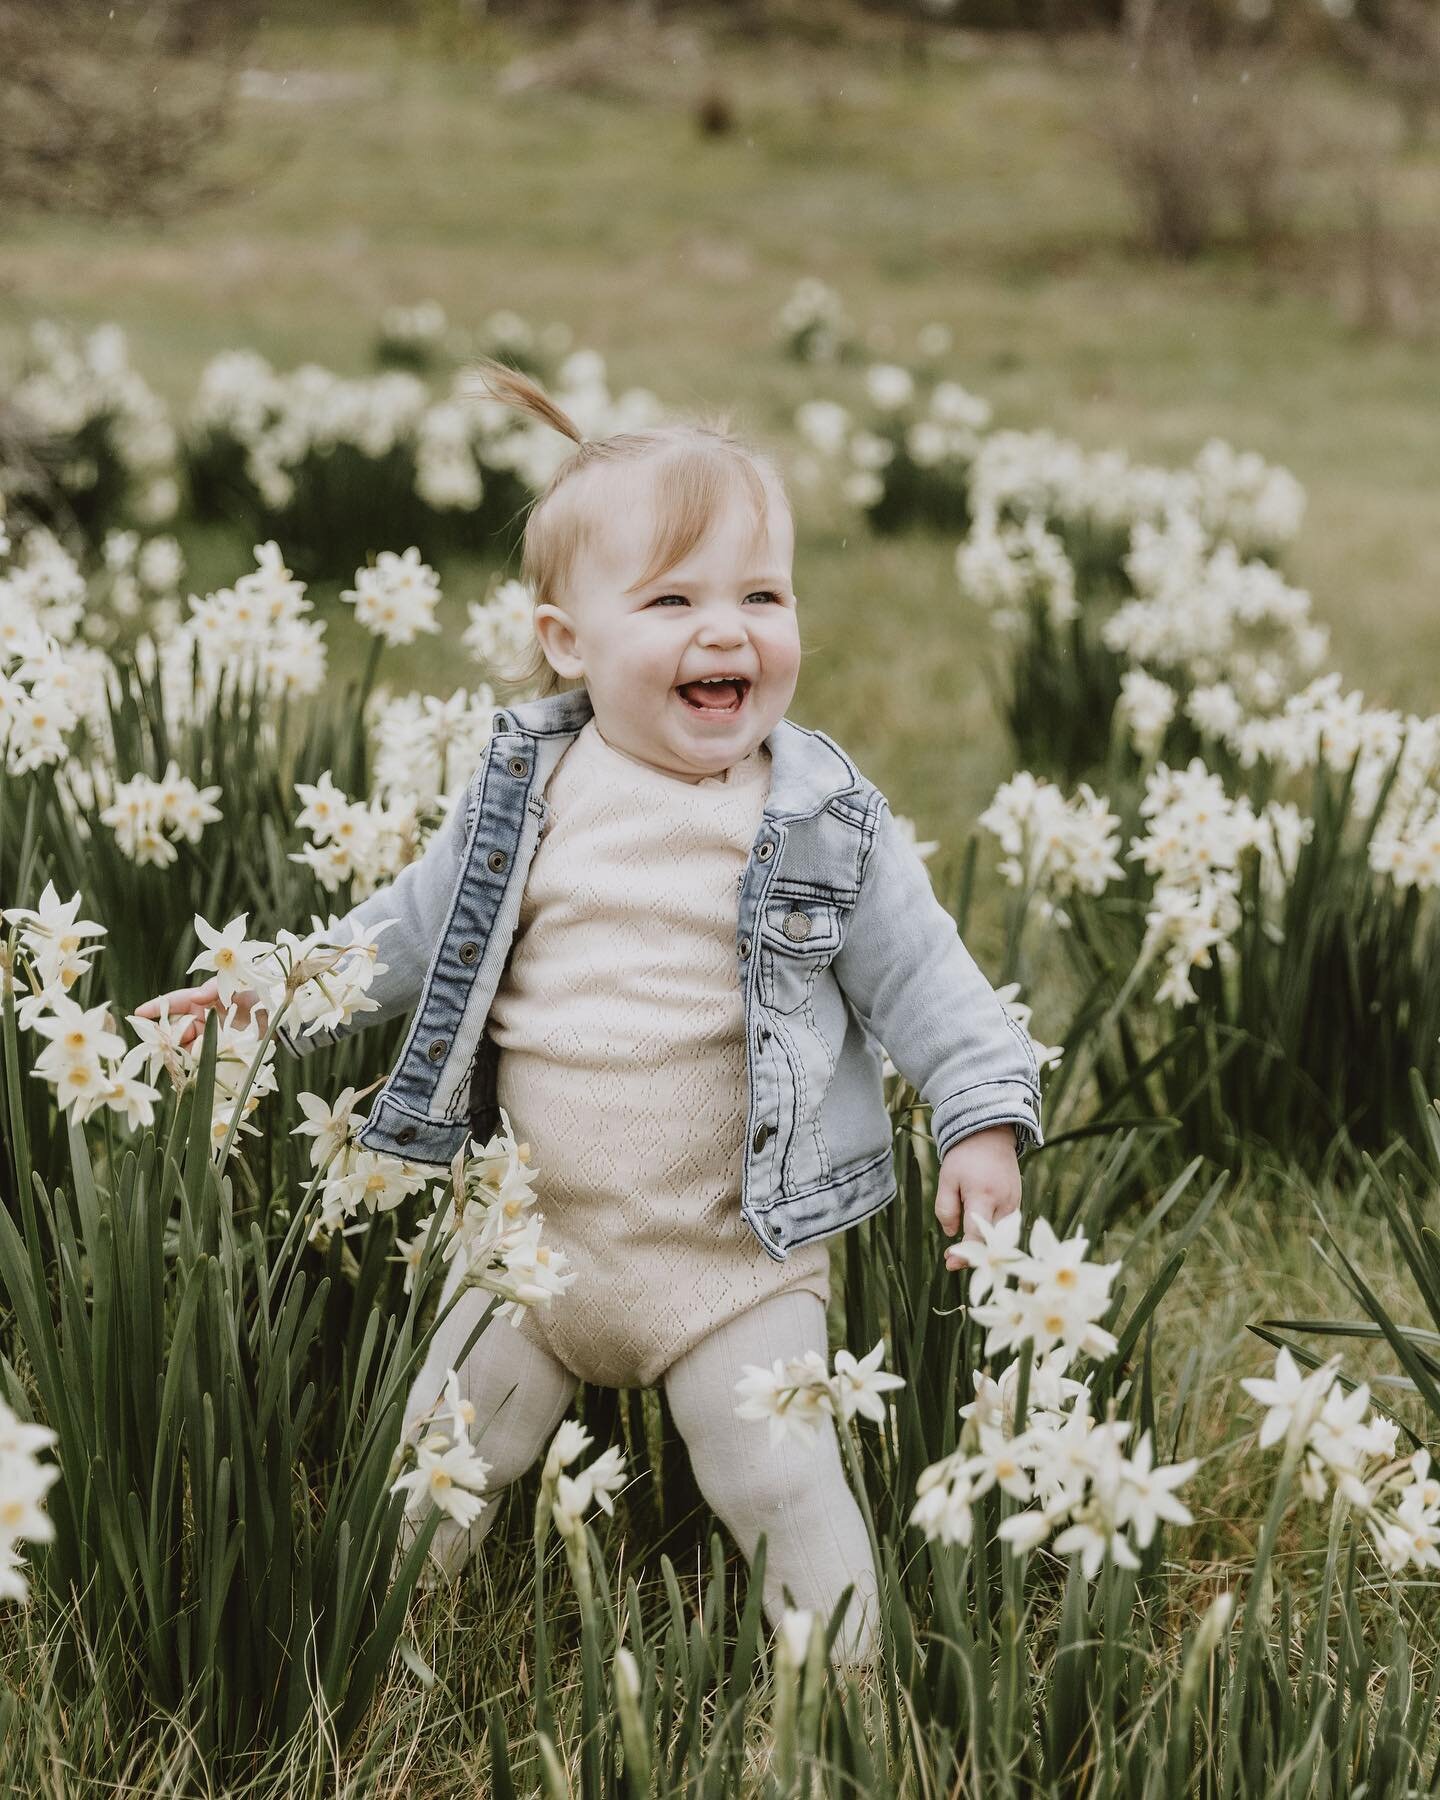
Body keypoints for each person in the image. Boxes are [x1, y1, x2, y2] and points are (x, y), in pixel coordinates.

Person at [137, 356, 1044, 1670]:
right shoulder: (525, 792)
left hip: (735, 1266)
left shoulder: (823, 819)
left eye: (762, 595)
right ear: (569, 640)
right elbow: (401, 937)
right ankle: (374, 1669)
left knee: (782, 1487)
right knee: (437, 1468)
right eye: (673, 598)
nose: (726, 631)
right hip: (529, 1251)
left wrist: (980, 1120)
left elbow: (928, 978)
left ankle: (853, 1703)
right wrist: (261, 996)